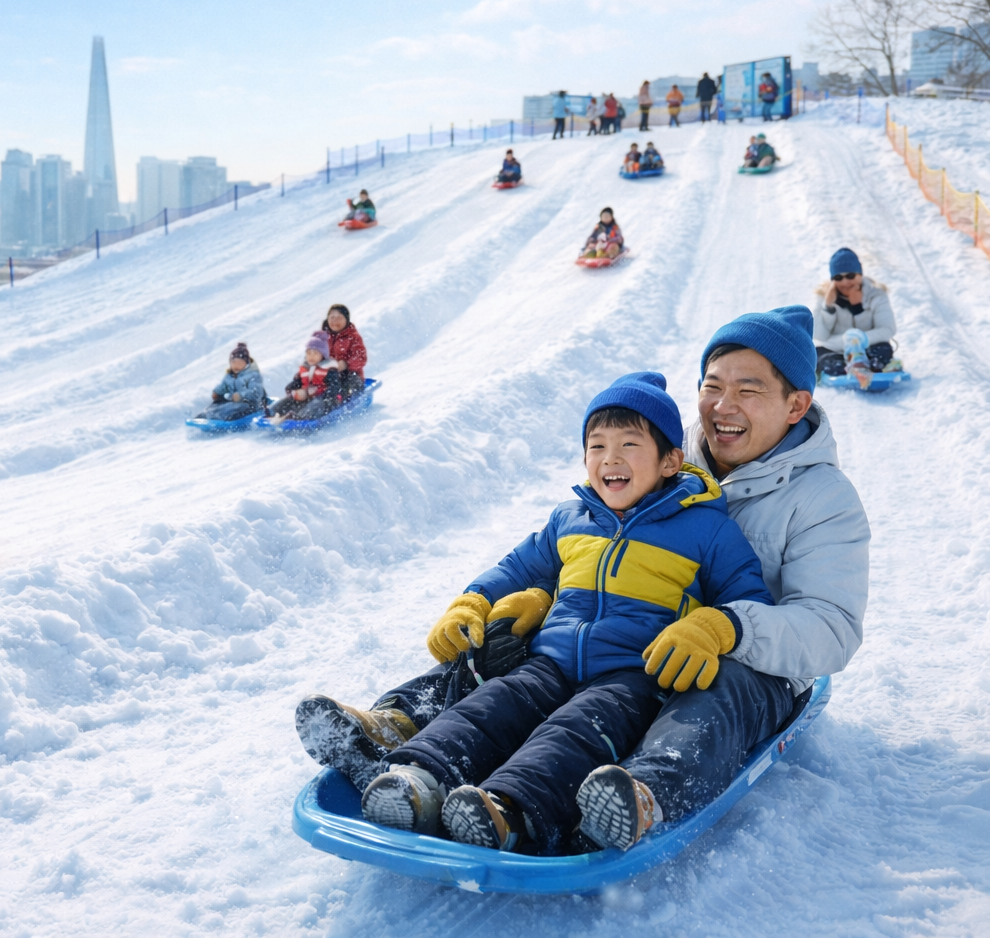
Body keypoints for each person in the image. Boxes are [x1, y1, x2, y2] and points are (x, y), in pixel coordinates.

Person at [295, 306, 870, 853]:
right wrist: (531, 599)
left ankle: (637, 795)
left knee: (711, 688)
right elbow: (559, 555)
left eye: (748, 390)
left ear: (796, 405)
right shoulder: (664, 446)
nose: (723, 405)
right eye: (712, 385)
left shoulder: (823, 500)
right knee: (502, 642)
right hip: (605, 640)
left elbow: (832, 629)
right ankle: (399, 729)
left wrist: (727, 628)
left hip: (727, 661)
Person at [356, 373, 775, 853]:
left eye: (628, 445)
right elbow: (517, 567)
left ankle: (507, 811)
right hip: (550, 661)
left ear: (670, 461)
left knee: (572, 733)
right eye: (596, 446)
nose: (610, 459)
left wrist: (712, 626)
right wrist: (472, 600)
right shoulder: (571, 518)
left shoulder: (706, 528)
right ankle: (417, 781)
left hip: (632, 676)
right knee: (490, 706)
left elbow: (748, 600)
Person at [814, 248, 897, 378]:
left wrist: (860, 339)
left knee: (883, 351)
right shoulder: (823, 296)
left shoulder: (876, 295)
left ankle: (869, 366)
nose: (845, 282)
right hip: (836, 350)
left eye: (850, 276)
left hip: (869, 347)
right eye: (838, 277)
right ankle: (854, 369)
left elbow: (887, 329)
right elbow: (820, 336)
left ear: (860, 274)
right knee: (819, 357)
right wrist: (828, 307)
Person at [268, 333, 343, 423]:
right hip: (307, 397)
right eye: (309, 353)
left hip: (324, 399)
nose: (311, 356)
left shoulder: (329, 369)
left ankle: (299, 418)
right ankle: (272, 412)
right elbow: (298, 381)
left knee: (315, 405)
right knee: (289, 400)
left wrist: (321, 394)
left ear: (323, 355)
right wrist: (292, 389)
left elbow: (335, 386)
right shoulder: (306, 368)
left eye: (315, 353)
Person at [201, 342, 267, 421]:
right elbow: (224, 386)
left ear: (246, 364)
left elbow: (257, 392)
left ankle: (225, 419)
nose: (236, 367)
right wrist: (217, 392)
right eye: (233, 364)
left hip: (250, 404)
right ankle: (207, 416)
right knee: (216, 406)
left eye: (239, 364)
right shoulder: (230, 376)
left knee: (235, 409)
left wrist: (241, 396)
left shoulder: (252, 375)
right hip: (233, 402)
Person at [322, 303, 368, 398]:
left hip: (350, 375)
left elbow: (361, 358)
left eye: (339, 318)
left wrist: (346, 364)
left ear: (346, 320)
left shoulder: (353, 337)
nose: (334, 321)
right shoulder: (325, 338)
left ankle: (339, 402)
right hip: (331, 376)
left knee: (341, 386)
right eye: (332, 318)